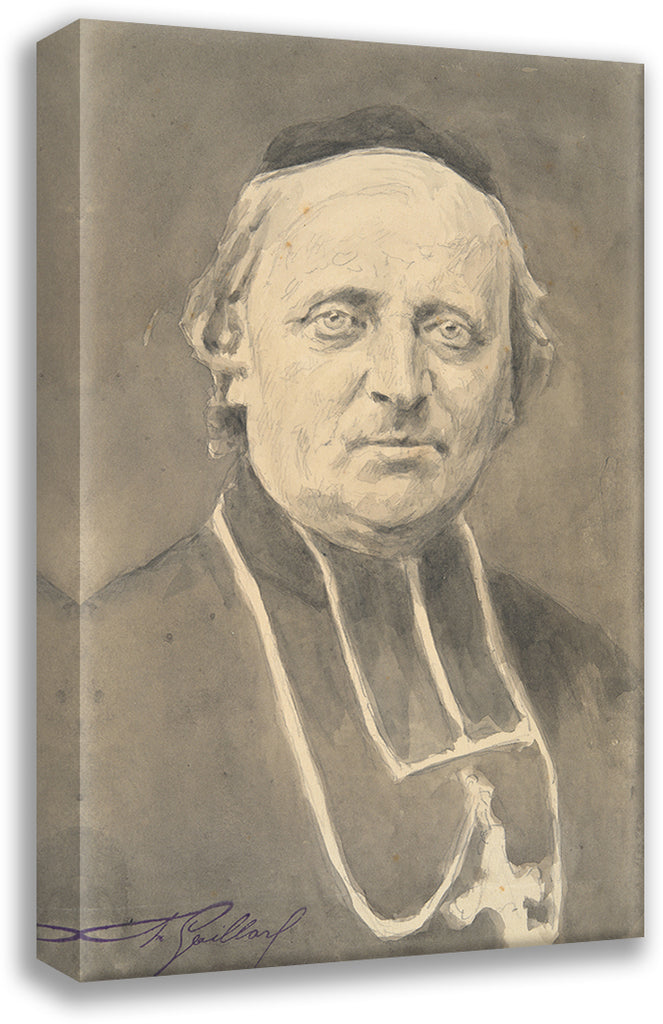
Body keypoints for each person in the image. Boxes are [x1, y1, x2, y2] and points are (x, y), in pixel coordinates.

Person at [37, 108, 642, 981]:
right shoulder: (95, 678)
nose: (400, 384)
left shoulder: (599, 686)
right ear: (230, 349)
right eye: (337, 320)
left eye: (451, 330)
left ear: (511, 381)